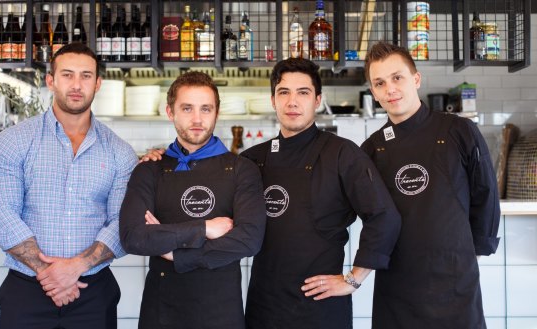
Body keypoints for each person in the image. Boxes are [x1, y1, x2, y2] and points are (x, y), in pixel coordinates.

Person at [0, 42, 138, 329]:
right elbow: (4, 217)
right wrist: (51, 275)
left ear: (98, 83)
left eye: (86, 76)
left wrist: (75, 268)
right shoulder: (12, 142)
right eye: (67, 75)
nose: (77, 84)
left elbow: (122, 222)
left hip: (93, 293)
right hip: (26, 292)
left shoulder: (120, 152)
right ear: (51, 81)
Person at [239, 58, 401, 329]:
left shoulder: (342, 153)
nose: (292, 102)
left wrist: (353, 279)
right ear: (273, 100)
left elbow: (384, 216)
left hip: (321, 309)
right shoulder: (252, 160)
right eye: (284, 92)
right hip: (264, 305)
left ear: (317, 100)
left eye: (303, 92)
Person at [361, 41, 501, 328]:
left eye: (397, 77)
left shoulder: (459, 130)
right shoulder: (372, 149)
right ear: (374, 93)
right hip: (398, 279)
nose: (390, 89)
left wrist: (469, 250)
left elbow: (485, 193)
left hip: (454, 276)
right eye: (380, 83)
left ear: (416, 79)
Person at [119, 71, 266, 329]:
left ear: (217, 113)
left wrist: (174, 253)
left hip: (220, 312)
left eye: (205, 109)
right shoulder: (150, 169)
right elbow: (134, 237)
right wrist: (204, 229)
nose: (197, 119)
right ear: (170, 111)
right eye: (187, 108)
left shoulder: (242, 169)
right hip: (162, 312)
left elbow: (248, 239)